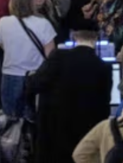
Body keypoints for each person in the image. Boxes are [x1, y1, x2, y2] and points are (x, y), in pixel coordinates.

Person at [28, 28, 112, 160]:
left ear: (74, 37)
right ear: (96, 39)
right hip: (83, 134)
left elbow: (35, 85)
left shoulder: (58, 56)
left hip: (53, 132)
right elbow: (104, 108)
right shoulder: (103, 68)